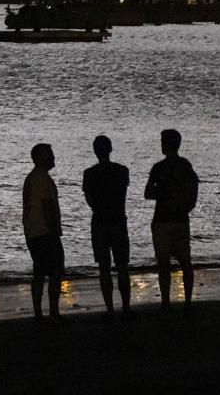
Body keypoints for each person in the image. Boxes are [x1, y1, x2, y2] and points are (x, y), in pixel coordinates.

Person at [144, 128, 199, 308]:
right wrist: (185, 205)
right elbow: (193, 191)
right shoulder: (185, 165)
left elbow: (148, 192)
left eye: (162, 142)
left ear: (166, 145)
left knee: (164, 265)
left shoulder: (159, 168)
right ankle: (187, 301)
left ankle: (166, 303)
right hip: (180, 219)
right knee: (185, 262)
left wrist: (164, 193)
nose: (161, 145)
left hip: (163, 220)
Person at [82, 134, 131, 313]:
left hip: (100, 222)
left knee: (104, 267)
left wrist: (101, 206)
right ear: (110, 149)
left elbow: (90, 201)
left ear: (95, 151)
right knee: (122, 266)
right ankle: (125, 307)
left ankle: (110, 309)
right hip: (118, 220)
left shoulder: (89, 174)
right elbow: (122, 197)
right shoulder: (122, 171)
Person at [22, 143, 63, 321]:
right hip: (44, 231)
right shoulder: (40, 178)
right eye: (50, 155)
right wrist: (54, 229)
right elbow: (47, 205)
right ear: (40, 158)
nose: (53, 158)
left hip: (35, 231)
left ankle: (39, 312)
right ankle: (51, 311)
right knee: (54, 271)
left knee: (40, 271)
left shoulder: (35, 177)